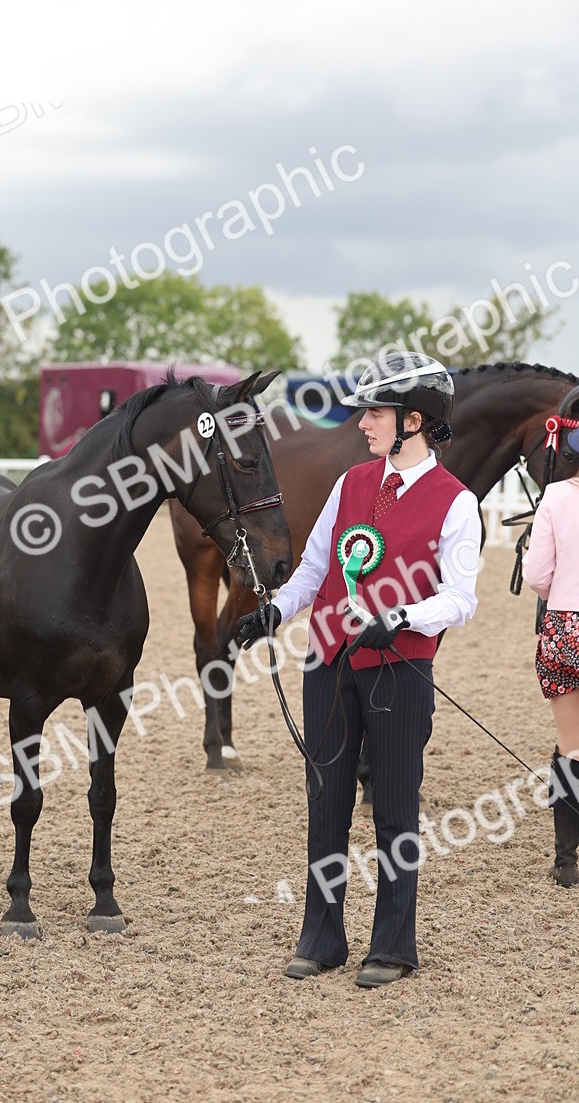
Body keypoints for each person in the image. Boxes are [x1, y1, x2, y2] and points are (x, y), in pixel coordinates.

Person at [237, 352, 481, 988]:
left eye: (376, 412)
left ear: (414, 421)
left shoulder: (456, 503)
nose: (364, 422)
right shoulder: (349, 484)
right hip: (327, 661)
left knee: (396, 809)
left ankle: (394, 944)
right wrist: (275, 612)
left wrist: (398, 617)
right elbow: (316, 568)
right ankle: (322, 936)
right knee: (326, 803)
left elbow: (461, 597)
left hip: (399, 669)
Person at [522, 413, 579, 887]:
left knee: (572, 744)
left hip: (566, 626)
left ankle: (566, 860)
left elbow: (538, 575)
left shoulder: (556, 497)